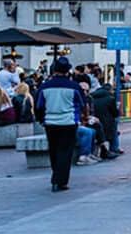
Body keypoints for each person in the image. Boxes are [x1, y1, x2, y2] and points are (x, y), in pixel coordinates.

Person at [35, 57, 85, 193]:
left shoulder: (44, 87)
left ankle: (56, 175)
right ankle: (60, 180)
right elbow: (82, 103)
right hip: (68, 121)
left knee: (54, 150)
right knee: (65, 151)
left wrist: (41, 119)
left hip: (50, 122)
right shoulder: (74, 86)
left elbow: (39, 106)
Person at [90, 83, 120, 159]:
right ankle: (114, 148)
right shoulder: (110, 99)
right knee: (115, 124)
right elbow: (115, 113)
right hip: (107, 123)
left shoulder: (92, 97)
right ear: (110, 90)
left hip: (94, 121)